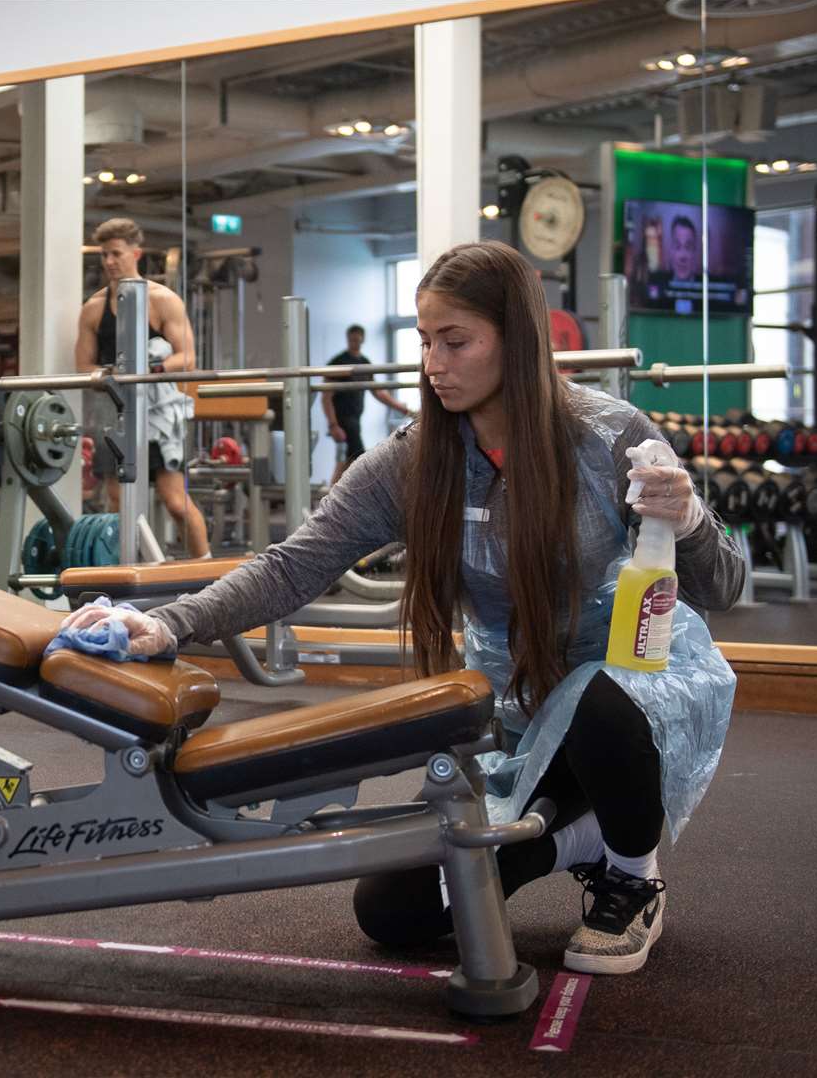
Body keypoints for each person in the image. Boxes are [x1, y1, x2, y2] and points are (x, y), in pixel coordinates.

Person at [61, 241, 744, 976]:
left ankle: (632, 878)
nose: (432, 364)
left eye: (456, 342)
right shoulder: (416, 460)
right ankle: (578, 839)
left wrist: (694, 519)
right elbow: (296, 564)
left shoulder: (612, 437)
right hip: (518, 705)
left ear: (516, 340)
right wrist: (169, 622)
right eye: (425, 341)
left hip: (632, 694)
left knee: (603, 703)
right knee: (394, 914)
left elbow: (726, 584)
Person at [75, 217, 210, 558]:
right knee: (120, 504)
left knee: (176, 502)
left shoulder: (162, 300)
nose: (109, 262)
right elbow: (82, 366)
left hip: (159, 415)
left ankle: (209, 576)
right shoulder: (94, 308)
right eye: (104, 255)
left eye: (116, 253)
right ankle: (138, 574)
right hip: (116, 413)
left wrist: (153, 368)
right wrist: (112, 373)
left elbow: (189, 357)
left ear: (135, 253)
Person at [323, 324, 410, 484]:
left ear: (362, 339)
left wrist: (403, 409)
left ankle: (333, 501)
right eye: (352, 339)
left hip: (355, 420)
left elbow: (377, 392)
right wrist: (333, 425)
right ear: (348, 339)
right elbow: (326, 396)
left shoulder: (364, 363)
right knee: (357, 460)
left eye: (357, 339)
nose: (354, 342)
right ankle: (333, 502)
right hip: (343, 420)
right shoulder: (339, 362)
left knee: (346, 462)